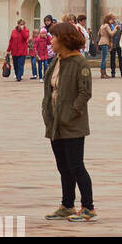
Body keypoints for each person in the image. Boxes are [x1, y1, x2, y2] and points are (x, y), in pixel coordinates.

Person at [41, 20, 96, 222]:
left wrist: (71, 113)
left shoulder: (79, 62)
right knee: (63, 166)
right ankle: (67, 204)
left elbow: (85, 93)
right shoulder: (57, 60)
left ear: (63, 39)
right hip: (55, 123)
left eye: (54, 36)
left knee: (76, 166)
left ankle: (88, 207)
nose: (51, 40)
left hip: (72, 124)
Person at [97, 14, 117, 78]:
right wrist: (116, 28)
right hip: (105, 42)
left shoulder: (102, 25)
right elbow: (111, 34)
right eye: (112, 20)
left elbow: (98, 33)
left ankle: (104, 73)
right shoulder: (107, 25)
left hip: (101, 42)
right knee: (104, 59)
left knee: (104, 58)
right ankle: (103, 74)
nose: (113, 21)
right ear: (108, 19)